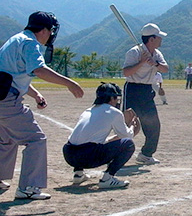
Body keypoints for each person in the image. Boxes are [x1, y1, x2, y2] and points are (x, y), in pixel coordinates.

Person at [0, 11, 84, 200]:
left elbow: (11, 74)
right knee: (36, 139)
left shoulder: (16, 39)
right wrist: (70, 83)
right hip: (4, 100)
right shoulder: (30, 44)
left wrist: (35, 95)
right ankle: (29, 187)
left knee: (7, 137)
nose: (51, 35)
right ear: (43, 30)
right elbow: (39, 70)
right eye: (50, 31)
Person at [63, 83, 139, 189]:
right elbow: (127, 136)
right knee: (128, 144)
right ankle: (107, 178)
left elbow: (95, 139)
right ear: (111, 98)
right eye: (116, 98)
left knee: (83, 141)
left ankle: (78, 174)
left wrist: (114, 138)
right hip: (87, 157)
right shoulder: (114, 112)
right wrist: (131, 126)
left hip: (69, 154)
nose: (117, 101)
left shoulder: (87, 111)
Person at [122, 23, 169, 165]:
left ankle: (146, 154)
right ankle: (117, 153)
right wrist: (142, 62)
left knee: (153, 124)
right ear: (152, 39)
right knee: (128, 124)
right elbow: (126, 72)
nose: (161, 39)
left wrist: (154, 63)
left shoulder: (157, 54)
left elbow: (165, 69)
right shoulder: (134, 52)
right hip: (133, 89)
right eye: (159, 36)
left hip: (147, 91)